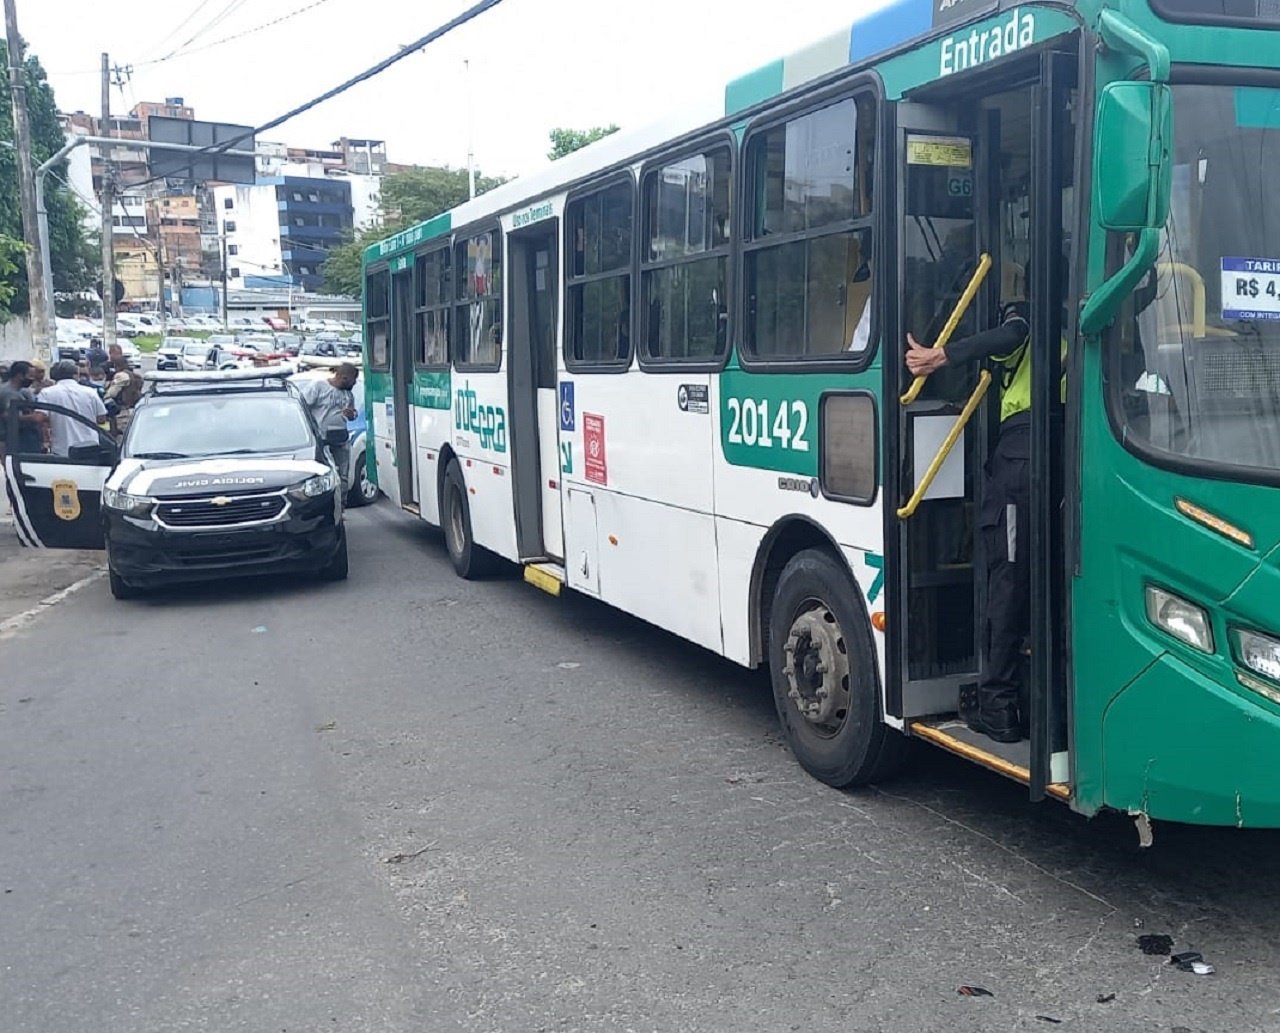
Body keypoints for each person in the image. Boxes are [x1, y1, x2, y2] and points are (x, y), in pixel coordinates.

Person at [905, 299, 1034, 744]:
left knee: (1008, 581)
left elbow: (1012, 335)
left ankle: (998, 703)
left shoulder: (1028, 321)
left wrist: (940, 356)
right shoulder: (1085, 318)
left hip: (1021, 462)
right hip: (1063, 459)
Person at [296, 363, 357, 481]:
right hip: (320, 438)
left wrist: (351, 415)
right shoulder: (319, 386)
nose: (354, 383)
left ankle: (342, 498)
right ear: (344, 378)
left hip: (340, 438)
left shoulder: (348, 394)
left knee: (342, 473)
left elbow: (352, 415)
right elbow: (302, 407)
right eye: (353, 380)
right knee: (322, 472)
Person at [38, 359, 107, 457]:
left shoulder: (46, 393)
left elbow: (40, 418)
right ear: (76, 374)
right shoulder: (90, 392)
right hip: (90, 448)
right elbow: (101, 419)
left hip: (62, 450)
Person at [0, 360, 48, 459]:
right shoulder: (9, 393)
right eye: (30, 376)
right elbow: (7, 416)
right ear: (20, 376)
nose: (32, 379)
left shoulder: (22, 392)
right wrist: (33, 417)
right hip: (17, 440)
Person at [104, 355, 144, 438]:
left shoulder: (121, 376)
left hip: (121, 410)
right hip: (132, 408)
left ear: (116, 366)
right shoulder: (134, 375)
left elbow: (111, 393)